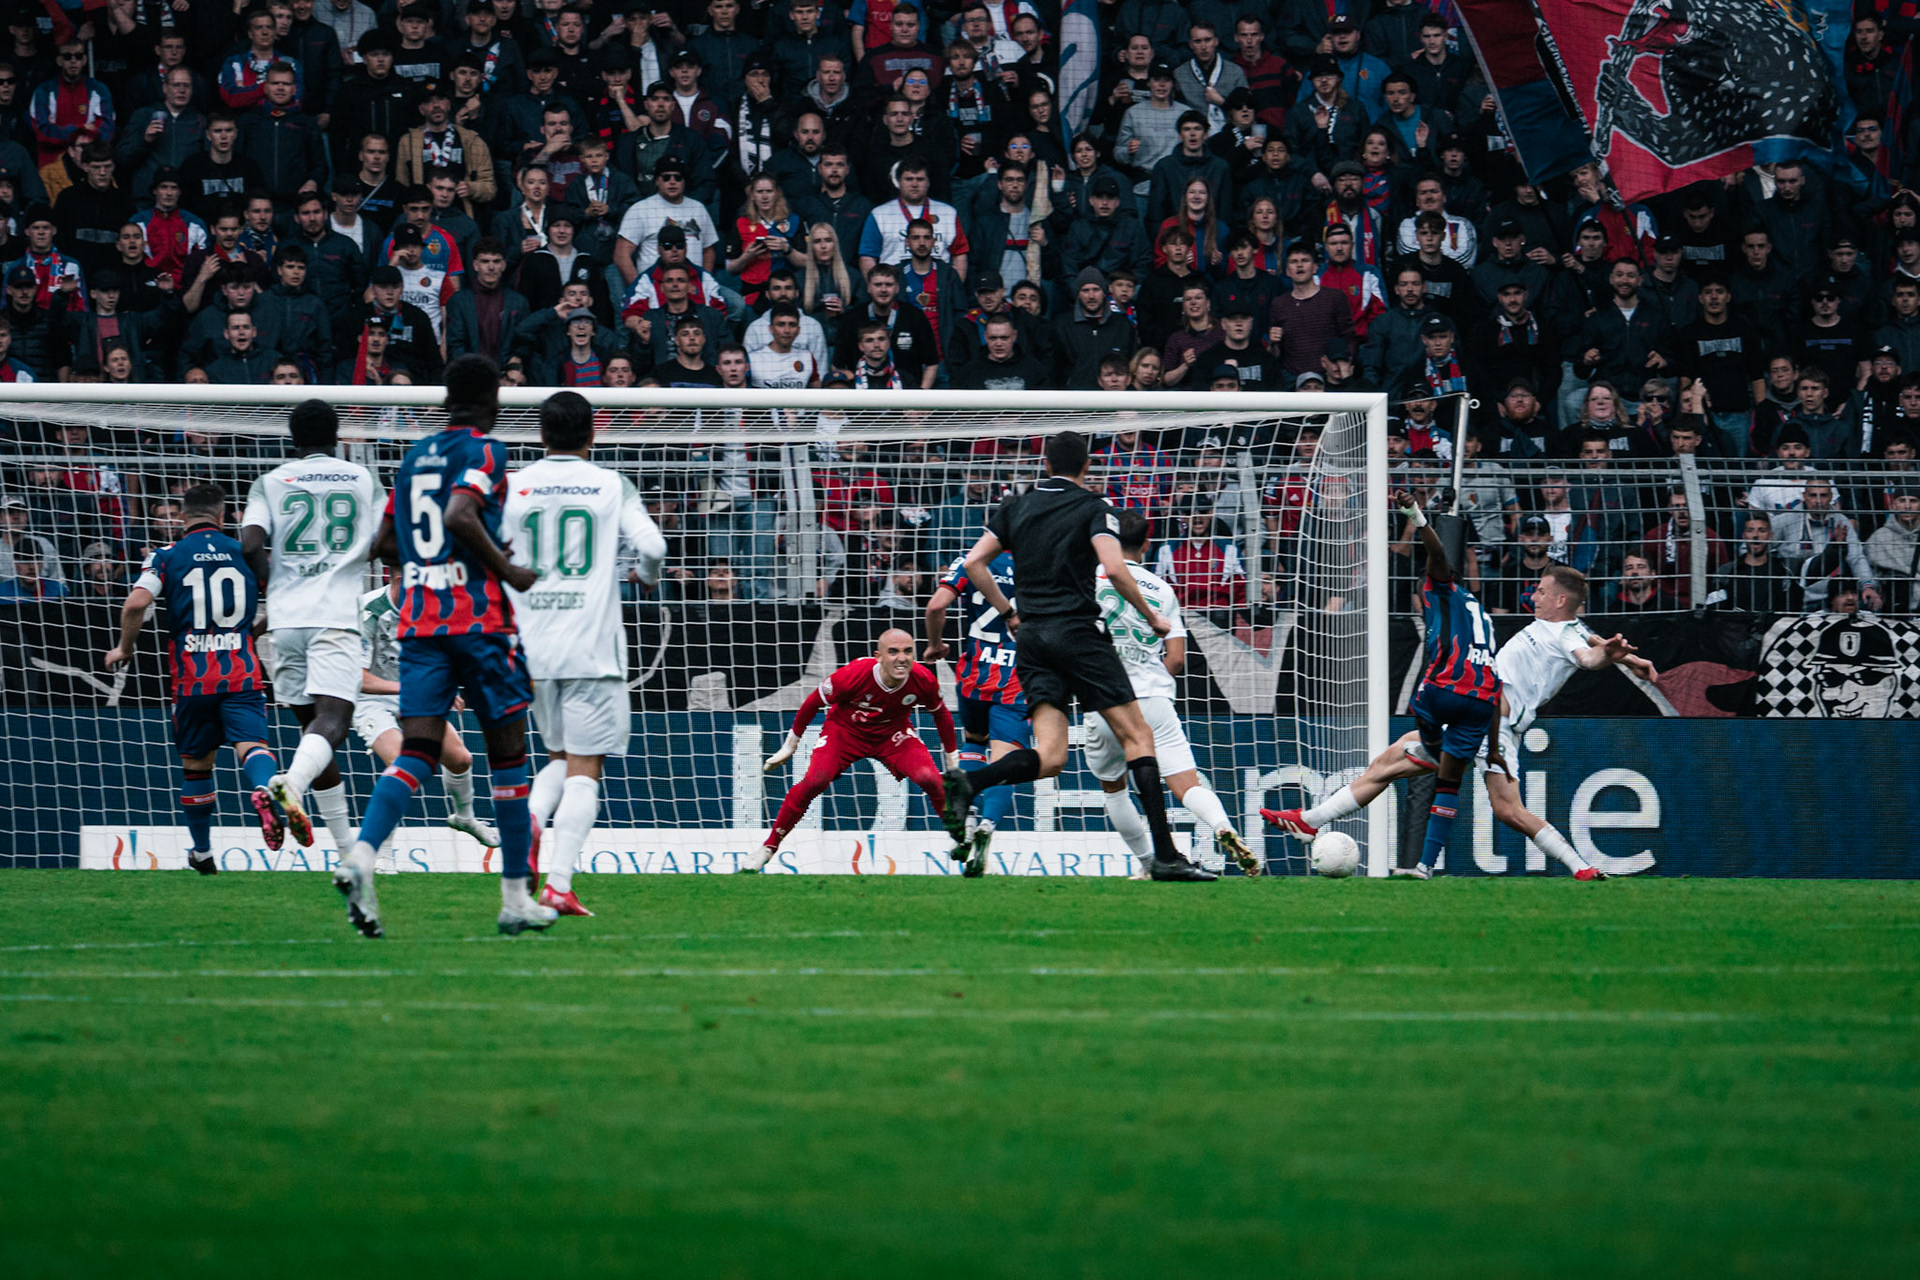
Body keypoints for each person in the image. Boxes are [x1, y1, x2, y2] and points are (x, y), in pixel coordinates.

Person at [940, 431, 1216, 881]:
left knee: (1049, 756)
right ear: (1086, 466)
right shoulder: (1094, 508)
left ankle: (971, 782)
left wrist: (1009, 612)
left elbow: (974, 563)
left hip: (1032, 639)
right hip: (1078, 635)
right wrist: (1153, 618)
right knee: (1139, 738)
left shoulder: (1015, 506)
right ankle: (1166, 856)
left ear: (1046, 464)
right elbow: (1114, 568)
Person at [1266, 563, 1654, 879]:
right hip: (1497, 727)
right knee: (1507, 810)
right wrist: (1628, 658)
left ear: (1559, 599)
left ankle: (1311, 820)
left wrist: (1607, 657)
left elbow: (1588, 657)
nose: (1534, 594)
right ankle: (1582, 867)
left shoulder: (1565, 632)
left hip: (1485, 720)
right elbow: (1590, 642)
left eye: (1540, 590)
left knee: (1391, 762)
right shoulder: (1568, 628)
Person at [342, 355, 546, 939]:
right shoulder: (486, 450)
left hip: (419, 628)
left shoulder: (411, 460)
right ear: (493, 400)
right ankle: (513, 899)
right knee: (508, 758)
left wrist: (421, 565)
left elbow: (384, 540)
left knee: (418, 754)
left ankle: (360, 856)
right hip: (479, 625)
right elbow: (459, 513)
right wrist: (506, 569)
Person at [1269, 490, 1501, 879]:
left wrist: (1417, 516)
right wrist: (1493, 748)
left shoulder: (1442, 588)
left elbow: (1439, 558)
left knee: (1417, 717)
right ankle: (1420, 864)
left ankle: (1427, 750)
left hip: (1446, 697)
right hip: (1483, 705)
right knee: (1404, 772)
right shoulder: (1481, 613)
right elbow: (1497, 681)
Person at [505, 391, 666, 917]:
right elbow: (655, 547)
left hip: (533, 645)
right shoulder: (609, 484)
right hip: (591, 648)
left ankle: (530, 816)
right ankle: (557, 882)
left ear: (541, 435)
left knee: (558, 756)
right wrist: (644, 576)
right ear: (593, 434)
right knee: (585, 766)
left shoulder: (515, 485)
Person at [103, 482, 285, 874]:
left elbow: (136, 603)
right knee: (251, 746)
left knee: (197, 766)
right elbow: (285, 602)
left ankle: (201, 851)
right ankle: (263, 788)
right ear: (222, 516)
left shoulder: (166, 556)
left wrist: (125, 649)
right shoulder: (246, 552)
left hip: (192, 679)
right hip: (241, 672)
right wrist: (256, 631)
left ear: (182, 516)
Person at [235, 400, 382, 859]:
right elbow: (384, 539)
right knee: (334, 720)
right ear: (337, 435)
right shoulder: (362, 479)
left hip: (284, 621)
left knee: (312, 734)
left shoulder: (270, 481)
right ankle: (289, 786)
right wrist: (350, 558)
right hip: (334, 615)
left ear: (293, 439)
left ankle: (345, 852)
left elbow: (250, 543)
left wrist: (276, 584)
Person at [1090, 509, 1258, 879]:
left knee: (1114, 790)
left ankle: (1149, 863)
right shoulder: (1162, 589)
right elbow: (1177, 659)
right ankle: (1221, 826)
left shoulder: (1094, 578)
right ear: (1147, 545)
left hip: (1104, 698)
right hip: (1153, 698)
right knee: (1186, 782)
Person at [740, 629, 959, 873]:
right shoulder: (853, 675)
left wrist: (953, 763)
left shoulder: (922, 679)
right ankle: (768, 848)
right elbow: (813, 702)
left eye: (908, 651)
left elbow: (941, 714)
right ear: (878, 656)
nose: (902, 658)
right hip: (845, 732)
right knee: (815, 780)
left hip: (892, 734)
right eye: (893, 651)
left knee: (930, 778)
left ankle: (965, 845)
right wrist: (790, 746)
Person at [922, 544, 1030, 876]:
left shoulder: (971, 560)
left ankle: (966, 823)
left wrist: (935, 644)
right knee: (1004, 759)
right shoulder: (1037, 561)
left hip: (975, 671)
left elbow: (936, 605)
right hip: (1017, 675)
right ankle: (986, 825)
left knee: (973, 742)